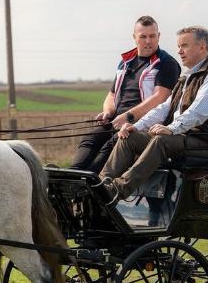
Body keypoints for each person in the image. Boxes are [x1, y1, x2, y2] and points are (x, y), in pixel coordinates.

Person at [99, 25, 208, 203]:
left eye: (184, 46)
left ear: (202, 47)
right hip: (182, 138)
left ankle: (118, 189)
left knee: (161, 140)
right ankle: (101, 186)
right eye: (179, 46)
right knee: (129, 138)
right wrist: (136, 126)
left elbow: (199, 112)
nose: (179, 51)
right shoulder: (186, 78)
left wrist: (171, 129)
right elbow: (164, 108)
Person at [70, 15, 180, 172]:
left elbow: (160, 98)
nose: (148, 41)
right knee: (90, 138)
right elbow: (112, 94)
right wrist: (108, 111)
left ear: (159, 36)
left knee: (110, 145)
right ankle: (73, 175)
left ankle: (90, 182)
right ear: (134, 37)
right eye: (143, 36)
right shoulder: (125, 62)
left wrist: (128, 117)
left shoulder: (166, 63)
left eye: (152, 36)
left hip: (142, 124)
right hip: (117, 120)